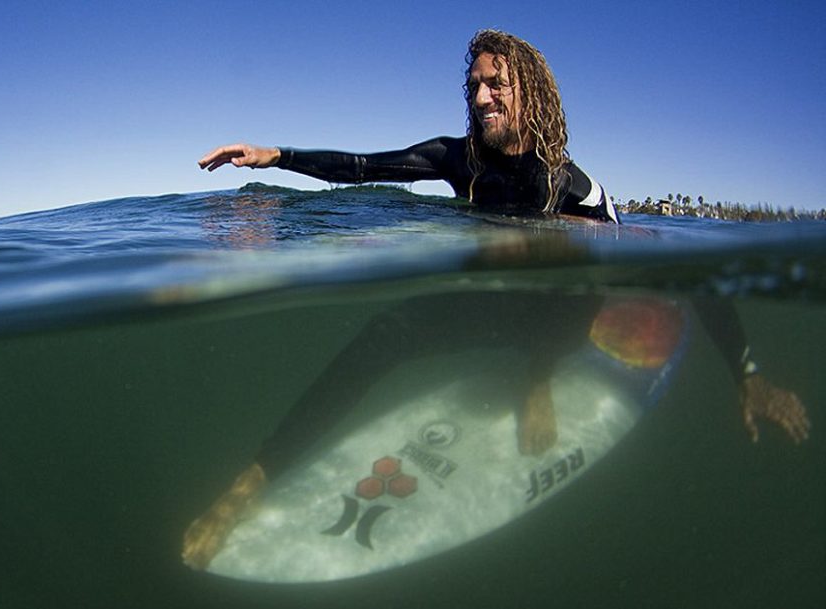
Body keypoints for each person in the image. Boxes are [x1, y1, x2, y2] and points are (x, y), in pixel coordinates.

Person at [182, 29, 810, 571]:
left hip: (560, 317)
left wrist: (745, 372)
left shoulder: (573, 186)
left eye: (497, 84)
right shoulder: (462, 161)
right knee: (383, 333)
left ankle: (538, 373)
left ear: (530, 90)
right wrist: (275, 156)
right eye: (474, 84)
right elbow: (362, 165)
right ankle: (251, 481)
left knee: (556, 307)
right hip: (490, 306)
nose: (481, 97)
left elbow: (682, 275)